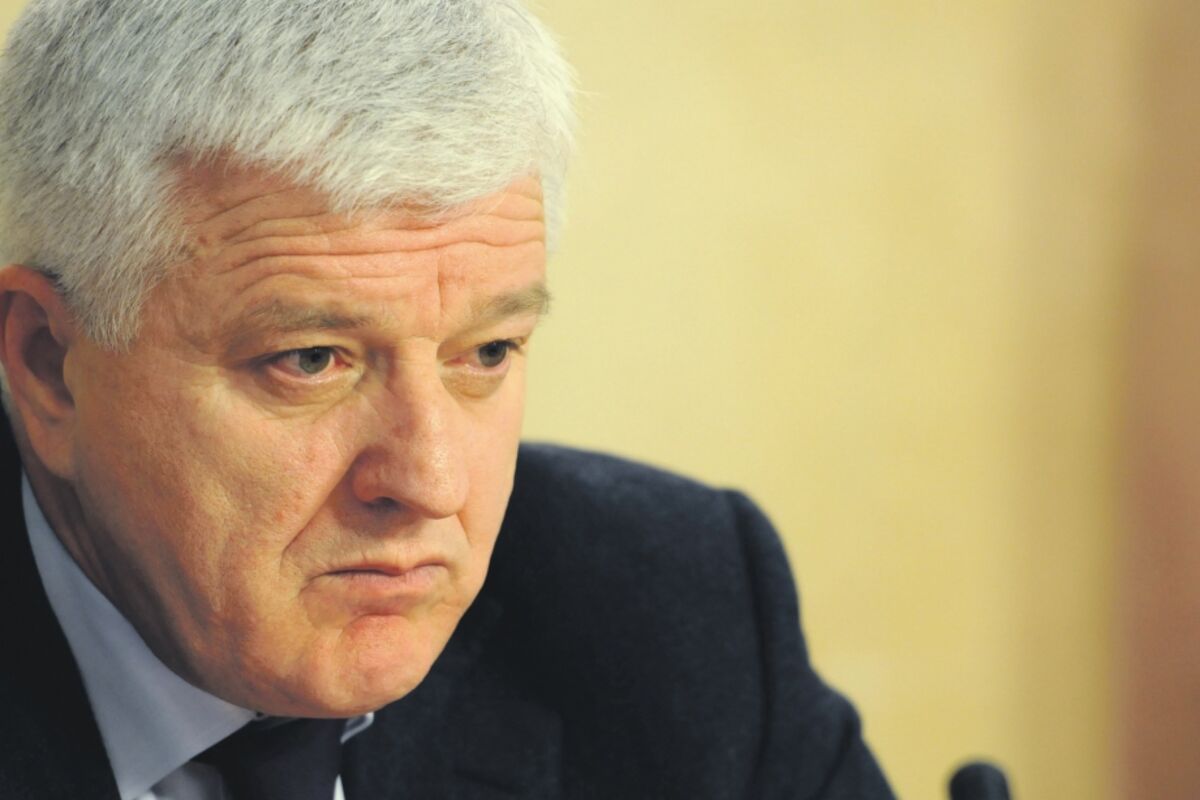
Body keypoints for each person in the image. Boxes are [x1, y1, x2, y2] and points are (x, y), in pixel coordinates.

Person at [0, 1, 894, 798]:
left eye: (488, 352)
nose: (430, 483)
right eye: (311, 360)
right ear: (48, 367)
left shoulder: (670, 614)